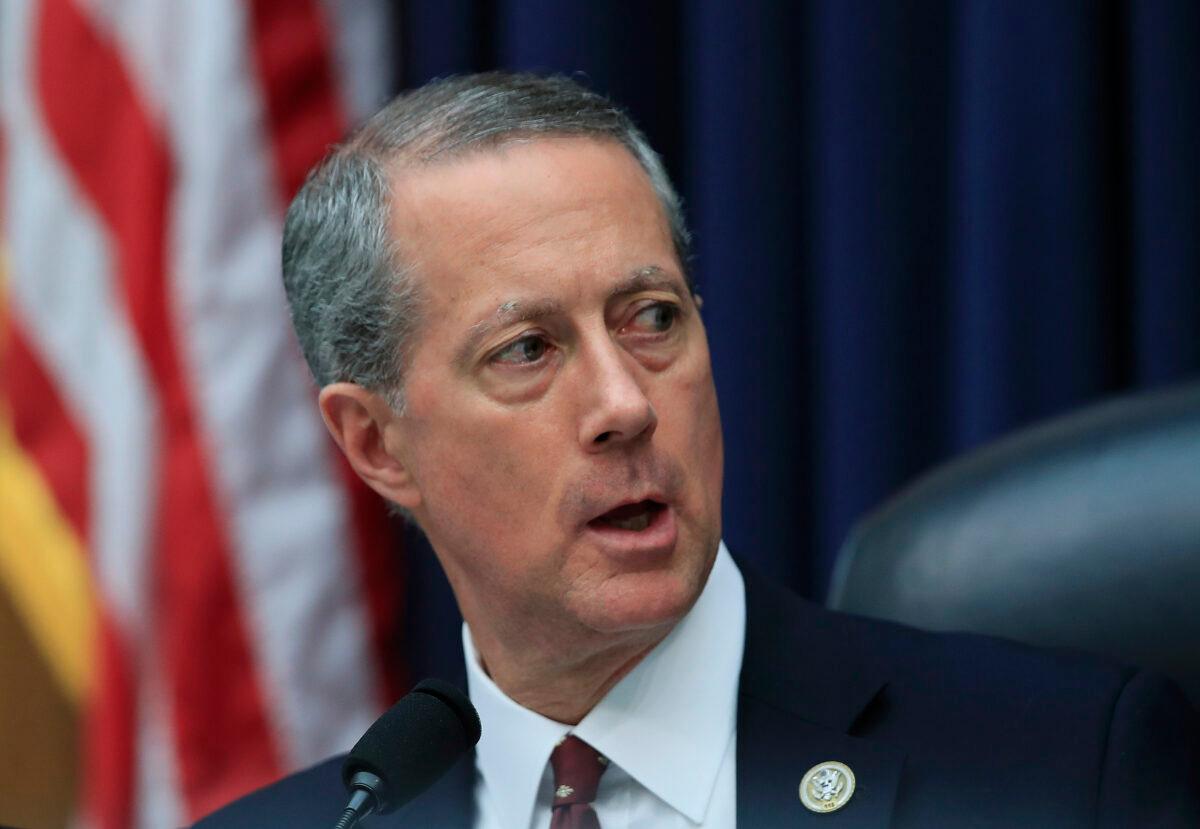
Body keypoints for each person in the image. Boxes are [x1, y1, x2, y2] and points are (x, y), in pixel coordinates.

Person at [197, 72, 1200, 828]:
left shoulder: (1069, 773)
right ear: (377, 443)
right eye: (529, 350)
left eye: (650, 318)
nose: (625, 403)